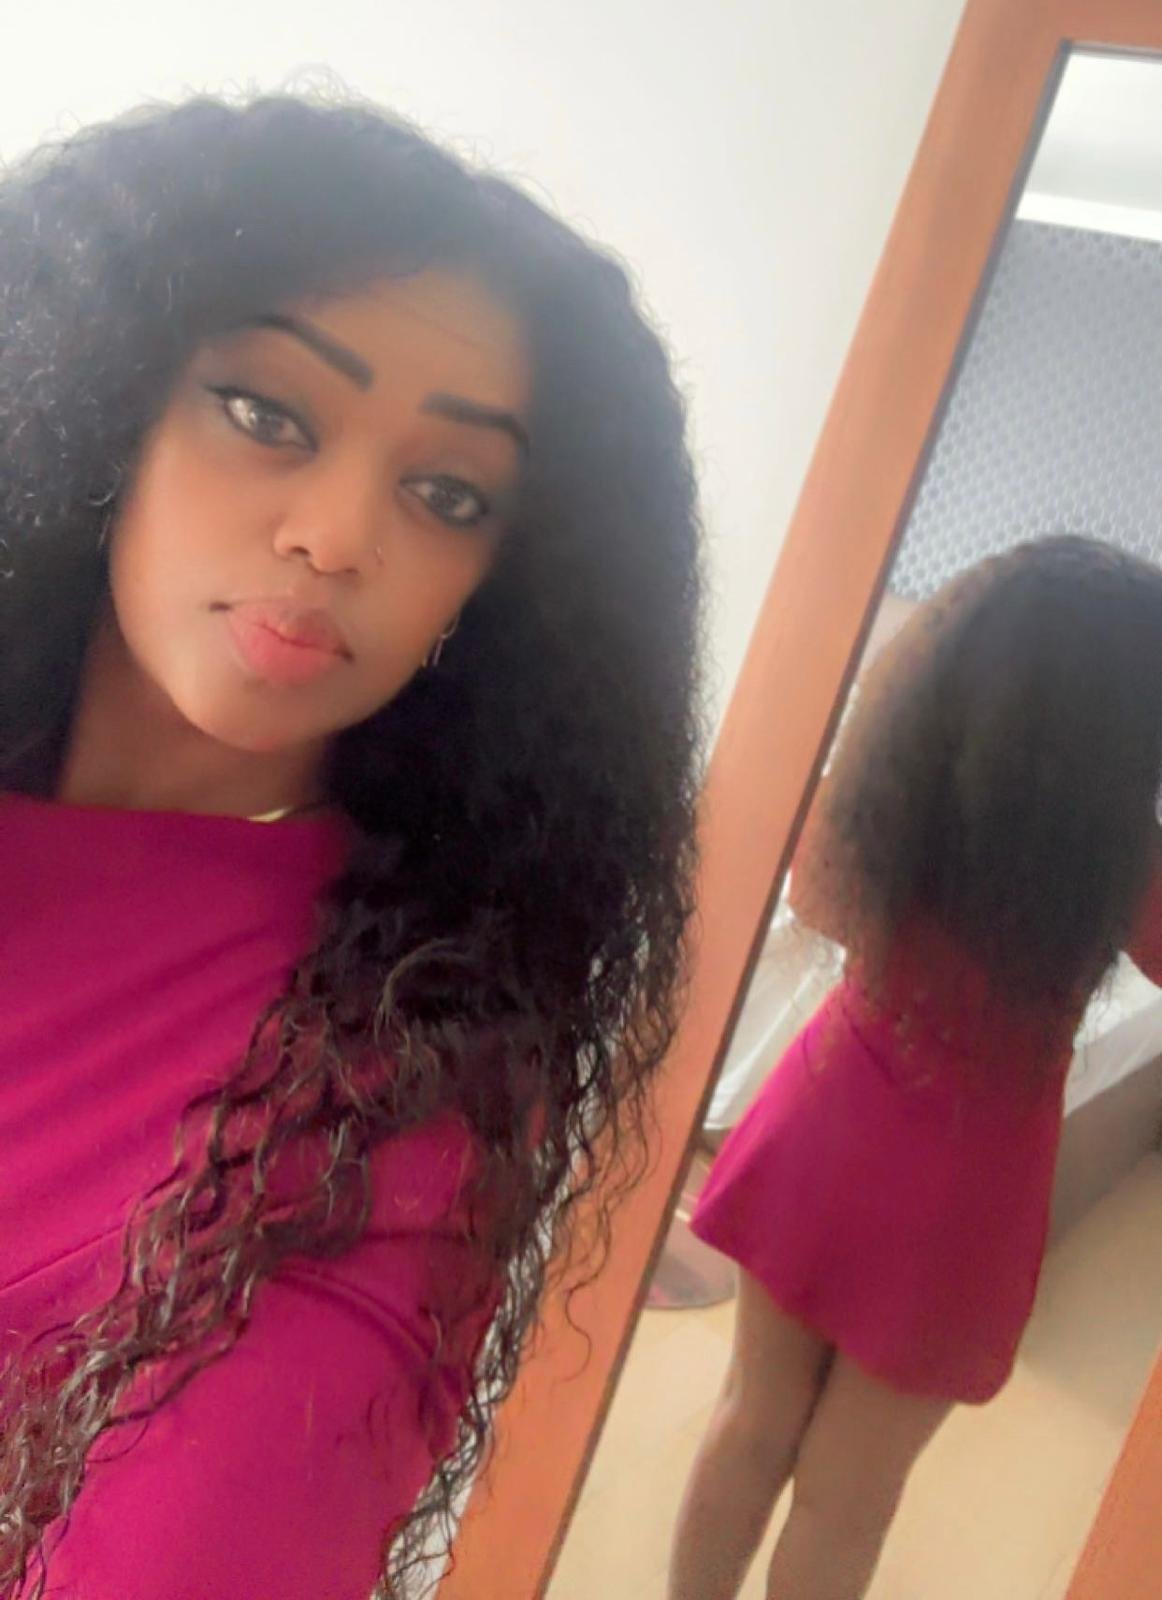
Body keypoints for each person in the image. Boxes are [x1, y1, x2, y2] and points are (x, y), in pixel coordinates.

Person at [0, 93, 703, 1600]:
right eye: (268, 413)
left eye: (445, 494)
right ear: (103, 392)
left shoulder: (383, 1078)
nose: (335, 536)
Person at [669, 536, 1162, 1600]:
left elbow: (817, 901)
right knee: (847, 1501)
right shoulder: (1122, 855)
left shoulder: (899, 780)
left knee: (749, 1421)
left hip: (830, 1111)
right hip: (965, 1189)